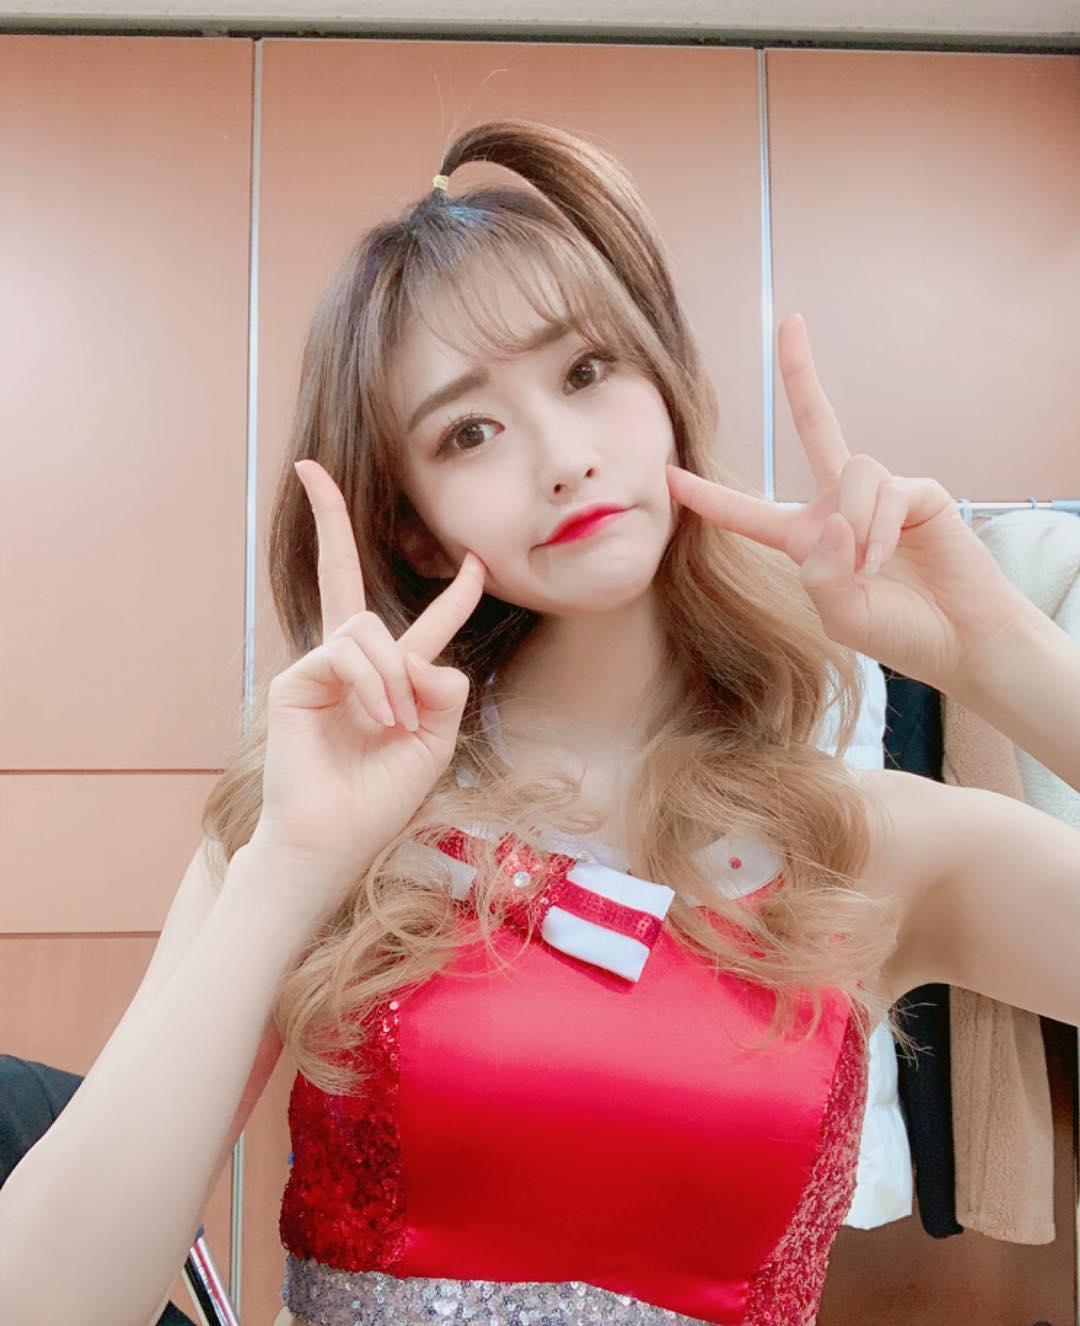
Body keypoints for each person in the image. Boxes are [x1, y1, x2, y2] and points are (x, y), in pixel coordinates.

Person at [2, 119, 1079, 1326]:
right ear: (413, 526)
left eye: (585, 372)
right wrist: (287, 873)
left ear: (665, 389)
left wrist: (1004, 657)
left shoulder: (863, 843)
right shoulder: (314, 817)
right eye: (469, 431)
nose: (564, 459)